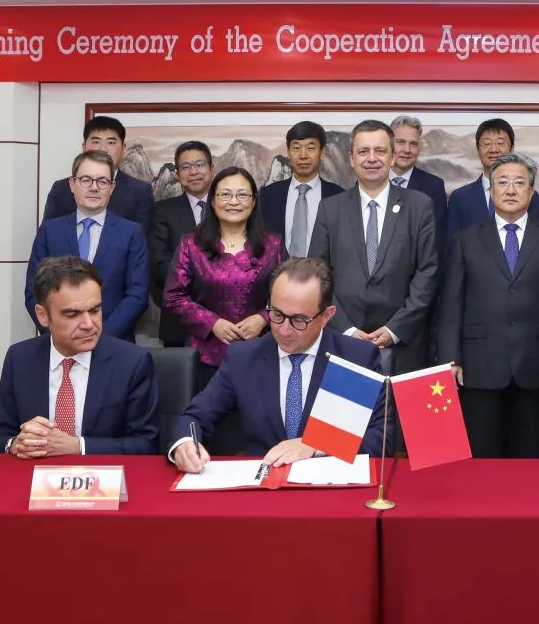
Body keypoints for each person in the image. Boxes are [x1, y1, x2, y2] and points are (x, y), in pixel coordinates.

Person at [169, 257, 387, 471]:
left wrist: (317, 446)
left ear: (326, 316)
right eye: (277, 314)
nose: (284, 330)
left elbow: (381, 437)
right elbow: (195, 417)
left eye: (299, 320)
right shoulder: (244, 358)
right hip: (262, 485)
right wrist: (184, 444)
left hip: (330, 485)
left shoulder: (354, 358)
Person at [438, 152, 539, 458]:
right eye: (502, 182)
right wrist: (451, 358)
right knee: (481, 459)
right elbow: (451, 304)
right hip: (478, 368)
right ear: (491, 191)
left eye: (519, 183)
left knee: (529, 458)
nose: (510, 190)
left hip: (538, 367)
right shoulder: (465, 240)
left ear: (532, 191)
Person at [308, 119, 439, 374]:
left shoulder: (419, 206)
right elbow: (317, 274)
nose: (371, 158)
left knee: (396, 403)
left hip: (404, 346)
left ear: (392, 157)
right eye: (363, 151)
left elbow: (428, 273)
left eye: (380, 151)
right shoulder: (330, 209)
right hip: (342, 344)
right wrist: (345, 328)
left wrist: (395, 329)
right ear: (351, 158)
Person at [0, 256, 158, 456]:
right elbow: (1, 439)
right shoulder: (20, 358)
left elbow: (146, 444)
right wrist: (16, 444)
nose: (88, 324)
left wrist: (78, 447)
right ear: (43, 315)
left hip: (102, 474)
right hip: (34, 473)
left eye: (95, 310)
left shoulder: (132, 363)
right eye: (72, 314)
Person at [163, 166, 286, 386]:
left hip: (261, 353)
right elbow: (174, 297)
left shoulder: (273, 245)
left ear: (254, 201)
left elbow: (287, 295)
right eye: (226, 194)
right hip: (206, 356)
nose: (234, 202)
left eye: (242, 195)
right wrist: (213, 323)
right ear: (213, 200)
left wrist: (263, 318)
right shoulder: (191, 244)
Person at [24, 150, 149, 341]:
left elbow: (137, 295)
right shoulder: (50, 231)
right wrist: (60, 335)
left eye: (102, 181)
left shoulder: (131, 233)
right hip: (59, 343)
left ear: (112, 188)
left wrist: (100, 337)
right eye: (86, 180)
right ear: (72, 184)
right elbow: (34, 291)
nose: (94, 187)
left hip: (114, 344)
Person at [148, 141, 214, 347]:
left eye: (199, 165)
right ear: (177, 174)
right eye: (186, 167)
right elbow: (159, 264)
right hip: (179, 321)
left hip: (226, 318)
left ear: (212, 169)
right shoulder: (162, 211)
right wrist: (210, 281)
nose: (193, 172)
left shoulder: (230, 207)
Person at [445, 118, 539, 257]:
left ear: (511, 148)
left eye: (500, 143)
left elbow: (537, 243)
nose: (493, 149)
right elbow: (451, 248)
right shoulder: (460, 198)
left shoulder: (529, 195)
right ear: (478, 150)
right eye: (486, 143)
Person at [43, 115, 154, 230]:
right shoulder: (61, 189)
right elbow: (48, 234)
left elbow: (141, 238)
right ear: (84, 147)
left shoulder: (140, 192)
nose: (103, 149)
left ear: (123, 148)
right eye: (96, 142)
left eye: (111, 143)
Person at [257, 121, 345, 257]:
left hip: (323, 270)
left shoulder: (338, 197)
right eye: (296, 148)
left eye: (311, 148)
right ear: (288, 152)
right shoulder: (267, 195)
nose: (303, 155)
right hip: (277, 270)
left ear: (322, 152)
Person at [390, 115, 449, 255]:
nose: (407, 149)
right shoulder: (373, 182)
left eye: (413, 144)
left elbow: (438, 240)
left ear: (419, 149)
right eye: (400, 142)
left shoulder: (434, 186)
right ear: (389, 144)